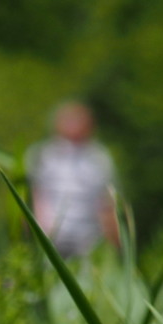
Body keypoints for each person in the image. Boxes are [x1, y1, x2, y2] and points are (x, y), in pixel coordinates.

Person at [27, 101, 118, 257]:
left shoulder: (99, 157)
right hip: (52, 233)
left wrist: (114, 238)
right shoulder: (42, 155)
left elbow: (106, 201)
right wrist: (35, 228)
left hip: (88, 235)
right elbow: (35, 195)